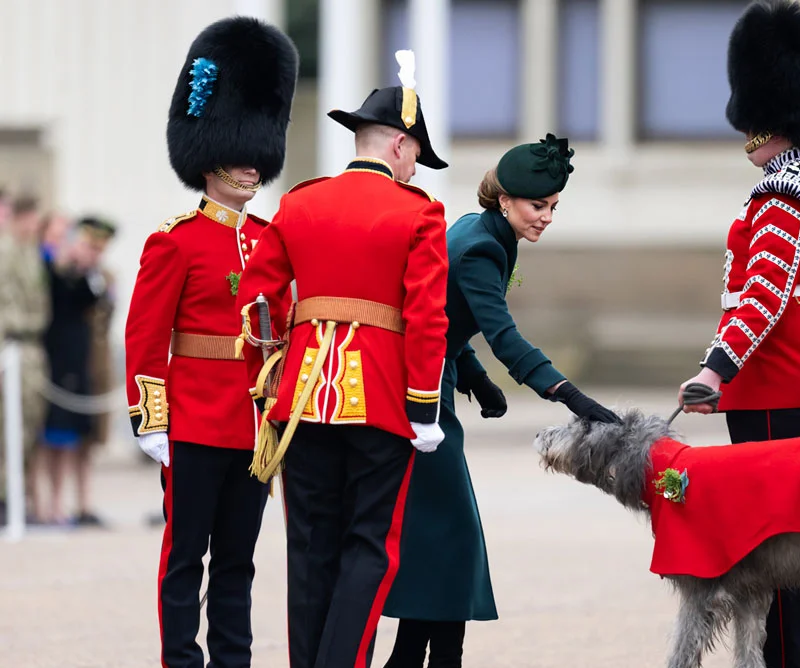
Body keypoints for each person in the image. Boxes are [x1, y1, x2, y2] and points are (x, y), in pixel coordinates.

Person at [235, 51, 449, 668]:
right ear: (401, 147)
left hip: (300, 400)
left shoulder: (299, 203)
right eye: (417, 156)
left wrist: (274, 374)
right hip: (381, 400)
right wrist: (424, 407)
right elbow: (426, 317)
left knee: (307, 548)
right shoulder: (419, 212)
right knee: (368, 548)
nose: (416, 170)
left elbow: (259, 306)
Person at [381, 133, 621, 668]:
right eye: (539, 206)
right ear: (506, 200)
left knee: (440, 538)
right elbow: (504, 335)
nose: (547, 218)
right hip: (416, 391)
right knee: (451, 535)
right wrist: (571, 397)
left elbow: (442, 313)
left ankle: (420, 656)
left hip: (428, 377)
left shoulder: (481, 228)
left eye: (554, 206)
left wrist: (470, 373)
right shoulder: (484, 245)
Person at [676, 2, 800, 667]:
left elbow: (764, 298)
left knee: (778, 556)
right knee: (791, 554)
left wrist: (715, 369)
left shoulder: (784, 192)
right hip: (795, 383)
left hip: (776, 388)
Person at [123, 17, 298, 668]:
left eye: (258, 151)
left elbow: (277, 333)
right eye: (239, 149)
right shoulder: (176, 240)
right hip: (194, 422)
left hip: (250, 427)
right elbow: (145, 335)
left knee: (237, 562)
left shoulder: (267, 240)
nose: (252, 164)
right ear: (210, 154)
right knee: (183, 556)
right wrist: (151, 418)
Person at [39, 216, 115, 526]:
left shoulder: (98, 276)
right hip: (60, 362)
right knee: (56, 437)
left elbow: (99, 304)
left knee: (86, 437)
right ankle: (51, 502)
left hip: (91, 365)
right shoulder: (57, 272)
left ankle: (82, 503)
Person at [0, 194, 49, 526]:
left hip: (32, 346)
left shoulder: (30, 251)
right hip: (13, 344)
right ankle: (7, 497)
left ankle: (18, 497)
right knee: (10, 427)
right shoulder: (6, 251)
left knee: (30, 424)